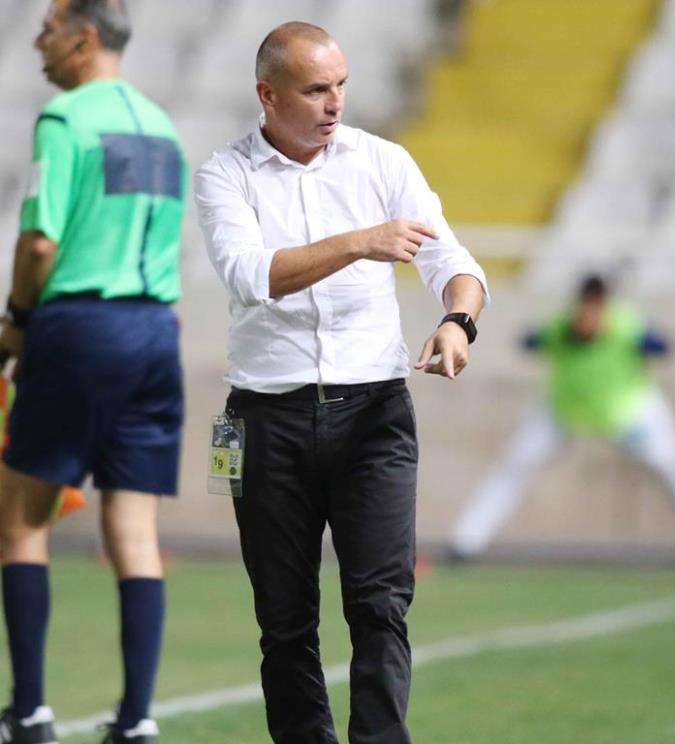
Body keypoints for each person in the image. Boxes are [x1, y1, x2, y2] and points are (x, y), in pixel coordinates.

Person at [193, 22, 488, 744]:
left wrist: (458, 322)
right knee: (284, 620)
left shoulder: (383, 161)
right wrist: (361, 241)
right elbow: (251, 275)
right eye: (316, 89)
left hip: (373, 413)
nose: (335, 103)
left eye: (342, 85)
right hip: (264, 418)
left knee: (381, 605)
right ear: (268, 95)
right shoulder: (224, 174)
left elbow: (453, 260)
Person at [0, 1, 186, 742]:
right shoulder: (163, 127)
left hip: (79, 328)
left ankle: (29, 713)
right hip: (156, 335)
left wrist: (16, 319)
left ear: (82, 38)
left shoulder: (66, 117)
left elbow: (40, 242)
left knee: (20, 522)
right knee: (134, 536)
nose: (38, 42)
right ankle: (137, 721)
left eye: (48, 31)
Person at [450, 274, 675, 566]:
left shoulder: (627, 327)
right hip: (564, 409)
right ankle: (465, 542)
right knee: (516, 463)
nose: (589, 315)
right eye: (584, 307)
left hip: (628, 413)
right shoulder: (560, 327)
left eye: (596, 308)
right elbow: (527, 341)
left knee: (672, 466)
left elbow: (663, 346)